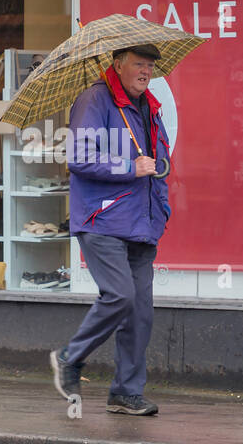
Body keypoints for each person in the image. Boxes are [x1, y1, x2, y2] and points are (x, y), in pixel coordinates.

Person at [50, 44, 171, 416]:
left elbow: (162, 161)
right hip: (102, 220)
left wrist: (162, 209)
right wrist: (129, 167)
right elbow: (80, 157)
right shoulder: (94, 100)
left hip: (141, 223)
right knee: (120, 295)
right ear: (118, 65)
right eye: (139, 63)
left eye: (150, 65)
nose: (146, 71)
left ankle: (125, 392)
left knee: (140, 313)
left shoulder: (149, 107)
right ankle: (70, 357)